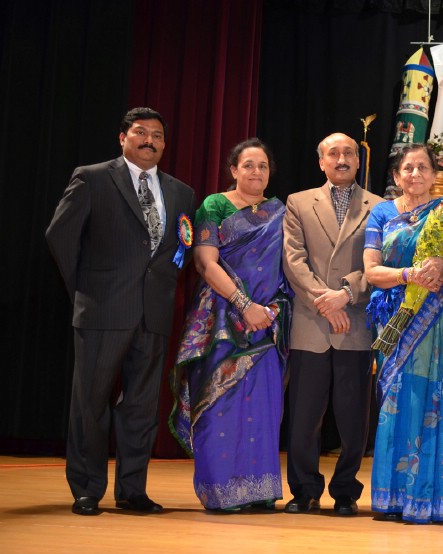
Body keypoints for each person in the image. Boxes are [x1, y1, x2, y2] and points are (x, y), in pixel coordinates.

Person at [45, 107, 196, 516]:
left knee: (142, 406)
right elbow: (60, 236)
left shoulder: (182, 192)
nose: (150, 140)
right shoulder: (92, 177)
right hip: (101, 311)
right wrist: (86, 288)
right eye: (141, 132)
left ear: (165, 143)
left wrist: (164, 285)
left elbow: (180, 249)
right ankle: (87, 488)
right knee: (89, 403)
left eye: (158, 135)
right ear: (123, 138)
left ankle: (133, 490)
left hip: (154, 314)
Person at [169, 139, 292, 512]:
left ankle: (259, 491)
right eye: (248, 165)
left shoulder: (279, 212)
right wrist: (244, 305)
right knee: (219, 403)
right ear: (233, 170)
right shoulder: (215, 205)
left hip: (266, 323)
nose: (256, 172)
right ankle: (221, 493)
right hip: (221, 320)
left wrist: (267, 310)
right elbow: (206, 263)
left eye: (263, 166)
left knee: (264, 406)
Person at [363, 144, 443, 523]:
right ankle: (391, 498)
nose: (415, 174)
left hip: (435, 321)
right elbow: (371, 271)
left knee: (431, 401)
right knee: (395, 399)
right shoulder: (382, 213)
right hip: (393, 317)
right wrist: (409, 275)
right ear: (396, 176)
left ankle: (430, 499)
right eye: (408, 168)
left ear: (434, 174)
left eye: (423, 168)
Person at [281, 132, 383, 516]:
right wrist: (325, 302)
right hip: (311, 323)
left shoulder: (381, 207)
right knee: (304, 417)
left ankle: (345, 492)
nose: (341, 159)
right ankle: (303, 490)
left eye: (349, 153)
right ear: (321, 161)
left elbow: (379, 261)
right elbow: (293, 260)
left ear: (358, 161)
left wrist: (346, 293)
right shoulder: (298, 202)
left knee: (353, 417)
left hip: (354, 324)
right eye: (333, 153)